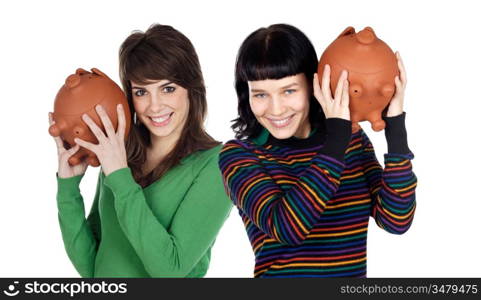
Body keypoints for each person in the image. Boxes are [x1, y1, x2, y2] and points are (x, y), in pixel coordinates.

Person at [219, 24, 416, 278]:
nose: (276, 109)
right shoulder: (239, 156)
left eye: (289, 90)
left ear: (315, 84)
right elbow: (288, 228)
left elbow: (396, 220)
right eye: (260, 95)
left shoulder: (352, 143)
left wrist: (396, 129)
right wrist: (336, 141)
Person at [50, 24, 232, 278]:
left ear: (192, 88)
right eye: (141, 92)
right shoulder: (120, 154)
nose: (154, 106)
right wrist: (68, 189)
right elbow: (93, 268)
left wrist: (120, 178)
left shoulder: (218, 165)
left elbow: (170, 270)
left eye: (168, 89)